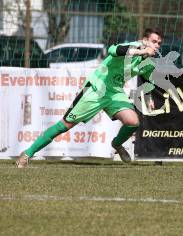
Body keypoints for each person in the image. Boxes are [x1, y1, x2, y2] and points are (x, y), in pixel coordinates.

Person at [15, 28, 162, 168]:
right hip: (95, 88)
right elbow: (113, 50)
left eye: (159, 43)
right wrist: (141, 50)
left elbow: (149, 80)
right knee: (64, 126)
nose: (157, 45)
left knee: (133, 122)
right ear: (144, 40)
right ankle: (27, 154)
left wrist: (149, 96)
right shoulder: (133, 47)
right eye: (154, 41)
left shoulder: (149, 62)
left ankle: (117, 144)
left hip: (115, 93)